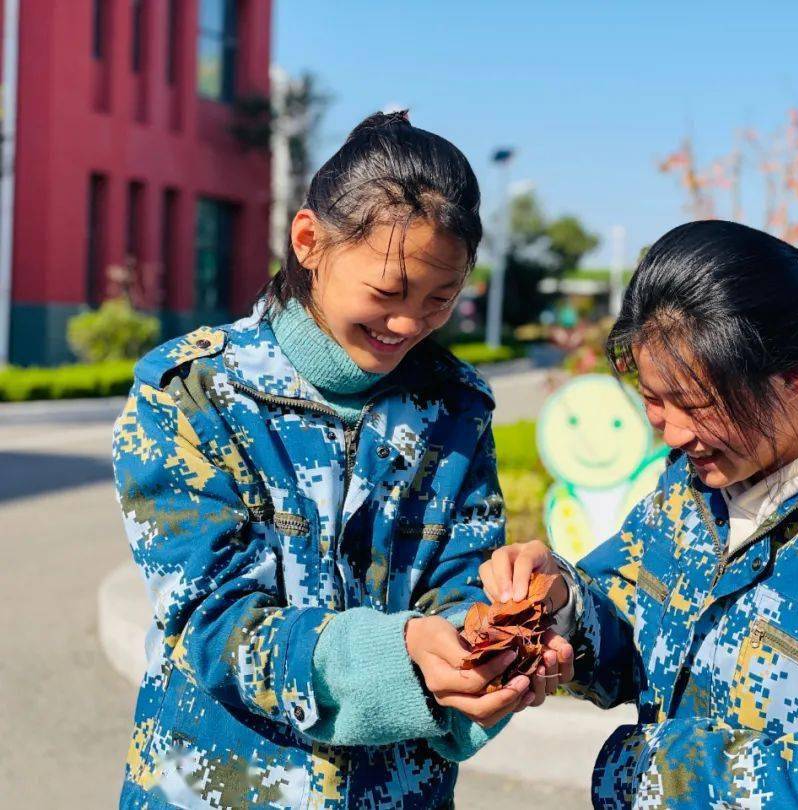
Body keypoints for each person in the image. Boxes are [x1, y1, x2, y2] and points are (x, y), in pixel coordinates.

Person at [113, 110, 568, 809]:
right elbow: (214, 621)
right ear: (309, 242)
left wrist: (489, 653)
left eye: (439, 300)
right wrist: (403, 651)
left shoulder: (453, 408)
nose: (409, 325)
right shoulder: (197, 394)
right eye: (387, 293)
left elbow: (459, 579)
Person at [482, 220, 798, 808]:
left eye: (697, 405)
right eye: (653, 399)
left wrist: (663, 776)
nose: (673, 432)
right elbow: (629, 622)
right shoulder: (693, 488)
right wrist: (559, 604)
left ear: (794, 373)